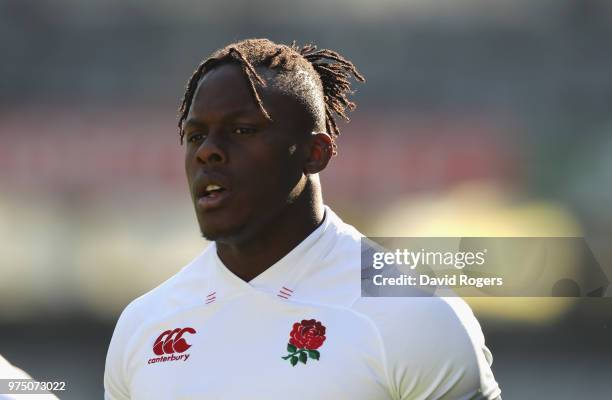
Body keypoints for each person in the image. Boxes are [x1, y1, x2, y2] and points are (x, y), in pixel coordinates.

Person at [104, 38, 501, 399]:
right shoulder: (144, 324)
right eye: (195, 136)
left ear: (316, 153)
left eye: (242, 130)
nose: (209, 152)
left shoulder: (415, 315)